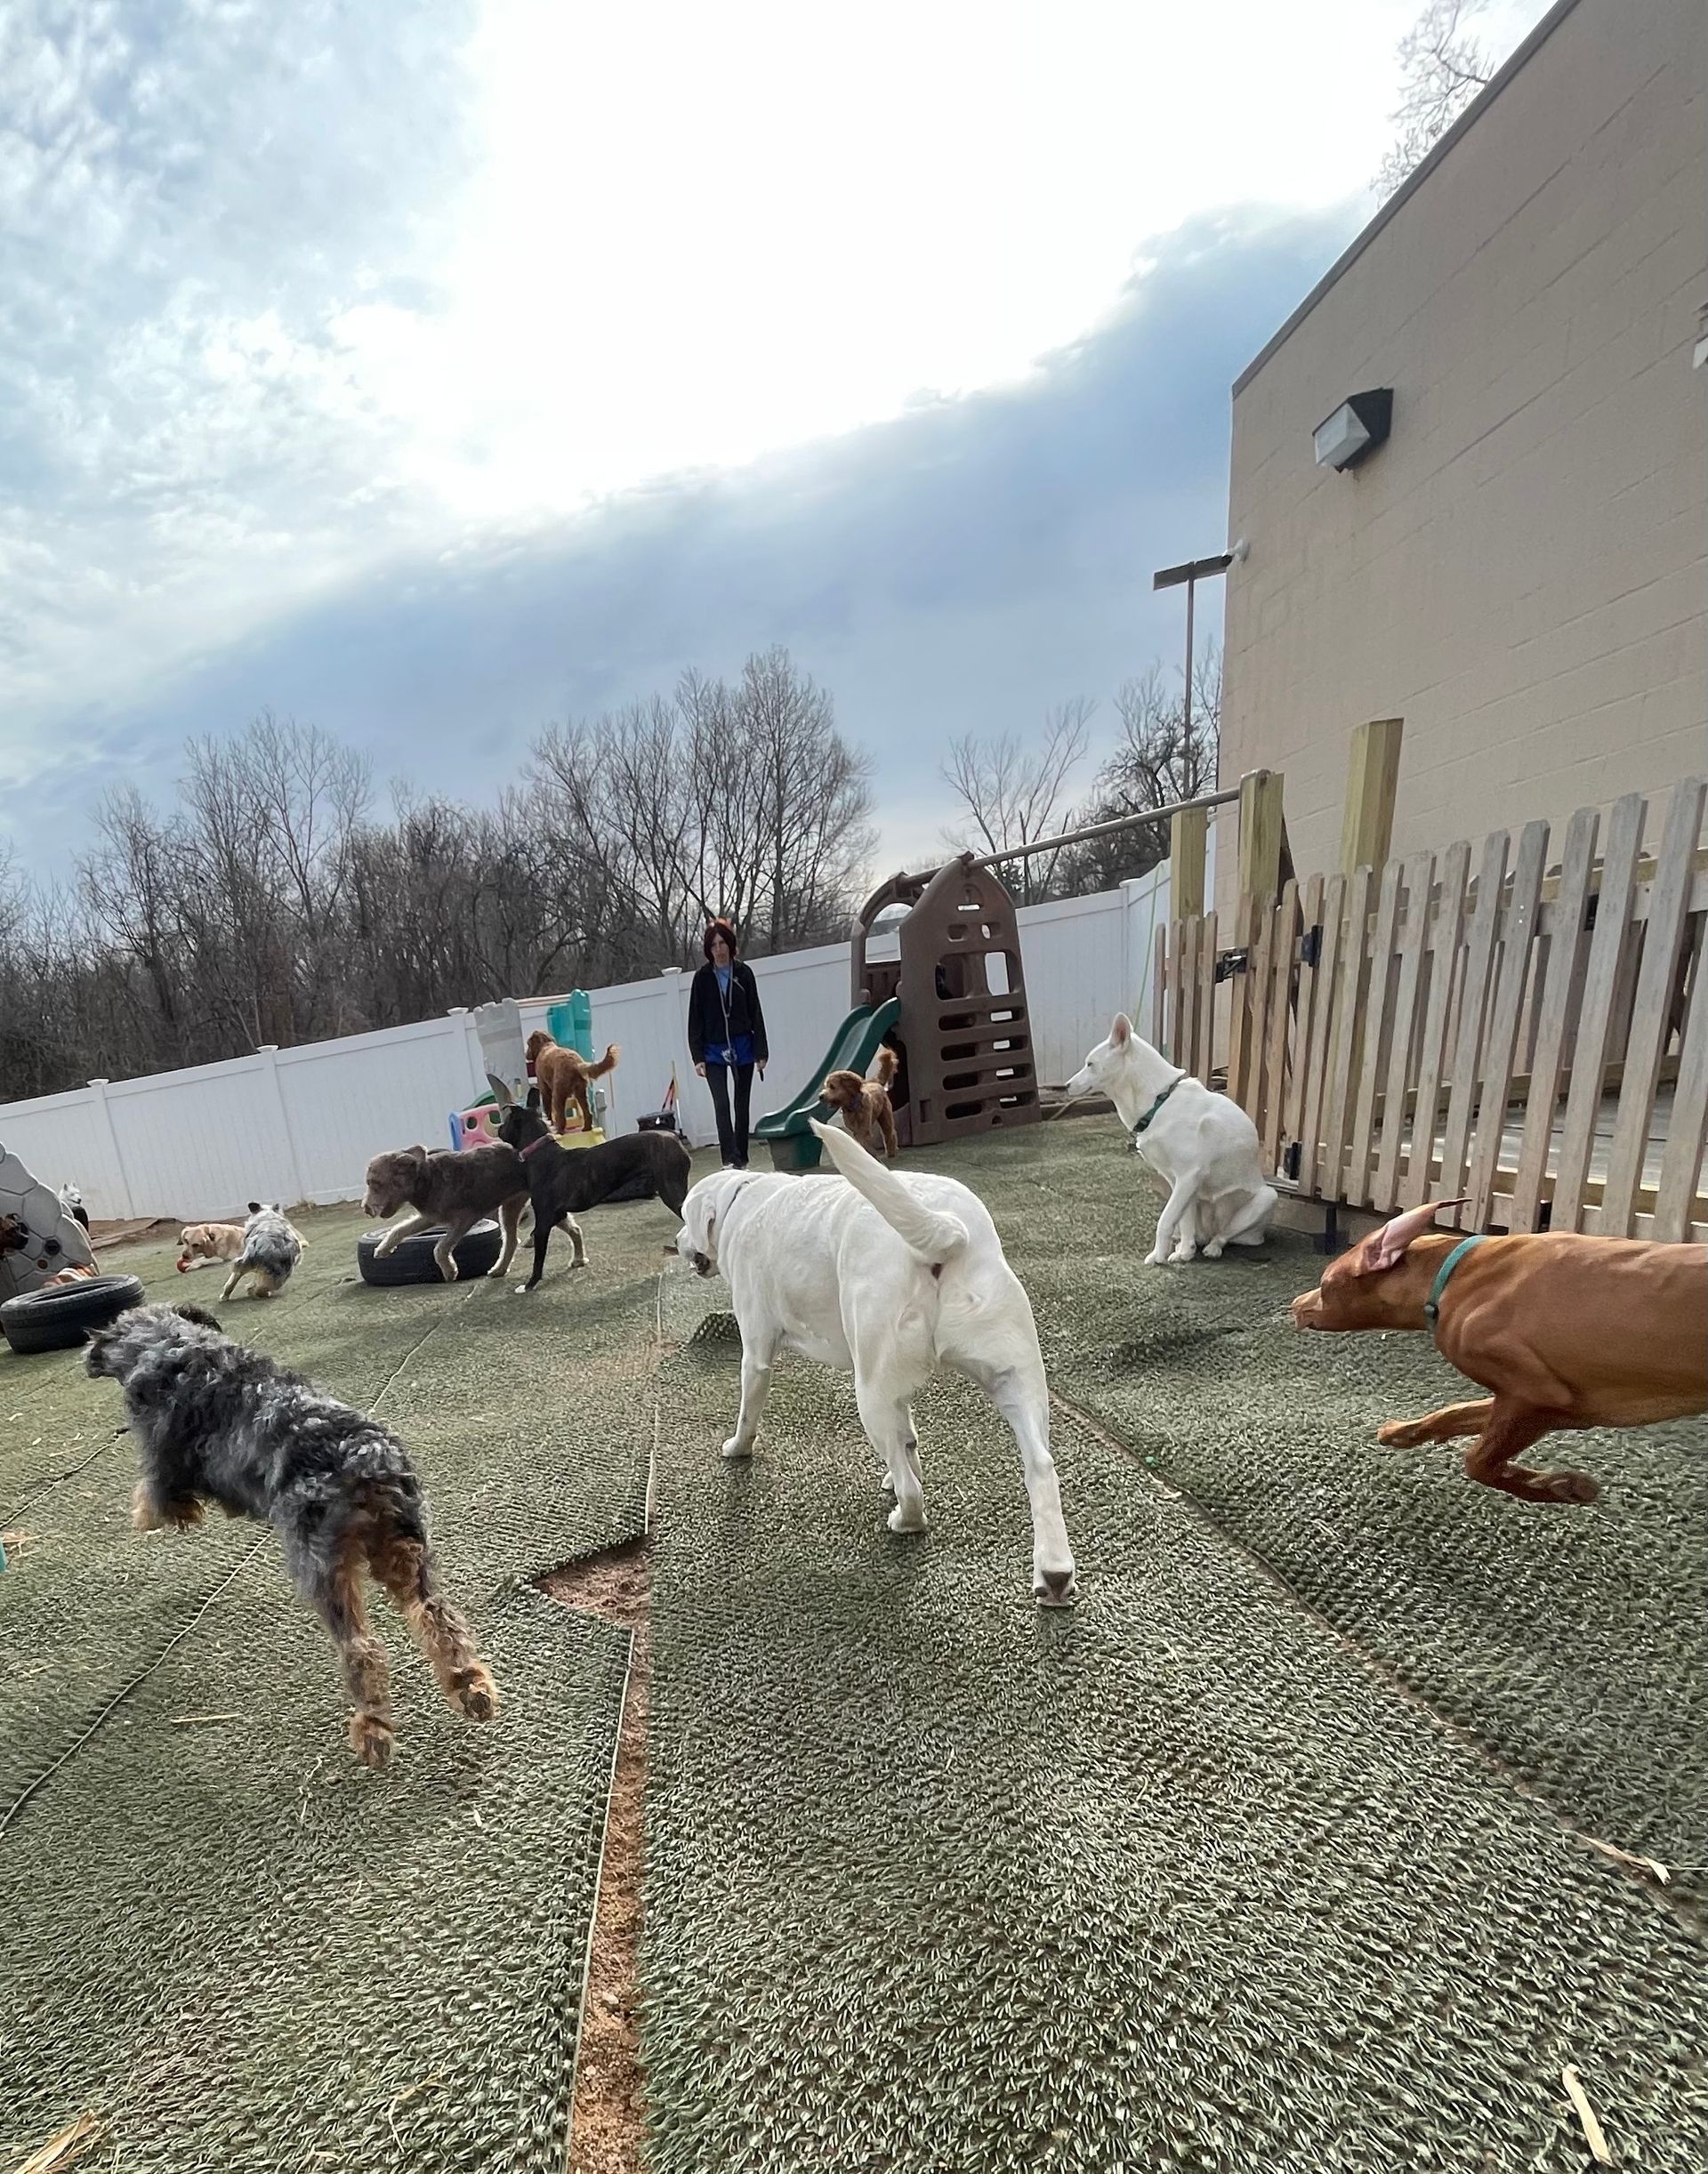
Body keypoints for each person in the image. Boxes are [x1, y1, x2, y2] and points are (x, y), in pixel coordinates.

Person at [687, 919, 769, 1168]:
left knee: (741, 1105)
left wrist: (761, 1051)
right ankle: (728, 1160)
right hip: (713, 1050)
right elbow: (695, 1019)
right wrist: (697, 1056)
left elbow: (756, 1011)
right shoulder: (702, 978)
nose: (719, 950)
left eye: (722, 943)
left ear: (730, 945)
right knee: (721, 1105)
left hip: (743, 1045)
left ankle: (741, 1158)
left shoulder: (744, 973)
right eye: (713, 945)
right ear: (708, 949)